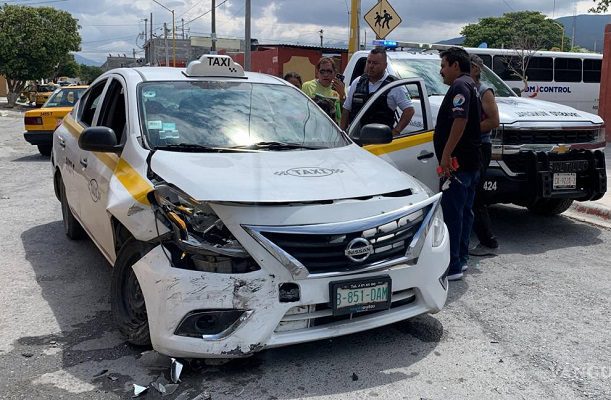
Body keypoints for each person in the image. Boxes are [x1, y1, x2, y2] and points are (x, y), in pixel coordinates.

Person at [434, 47, 482, 281]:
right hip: (470, 162)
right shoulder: (471, 84)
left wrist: (446, 154)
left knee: (453, 214)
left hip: (458, 164)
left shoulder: (460, 87)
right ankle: (461, 260)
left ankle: (452, 265)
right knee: (464, 213)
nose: (441, 71)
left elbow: (460, 121)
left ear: (455, 65)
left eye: (443, 65)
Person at [340, 47, 414, 135]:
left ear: (385, 66)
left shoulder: (394, 85)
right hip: (356, 139)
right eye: (369, 62)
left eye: (375, 63)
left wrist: (395, 132)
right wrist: (342, 133)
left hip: (381, 142)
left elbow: (409, 110)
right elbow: (346, 109)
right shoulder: (358, 82)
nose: (371, 66)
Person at [468, 54, 500, 257]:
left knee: (477, 195)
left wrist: (467, 130)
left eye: (468, 67)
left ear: (477, 70)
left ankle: (488, 242)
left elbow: (493, 121)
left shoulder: (483, 92)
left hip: (481, 146)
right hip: (470, 146)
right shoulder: (465, 88)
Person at [302, 58, 345, 124]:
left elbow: (345, 114)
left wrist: (342, 96)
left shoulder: (339, 88)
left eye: (329, 71)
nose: (325, 75)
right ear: (317, 72)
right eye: (322, 71)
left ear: (334, 73)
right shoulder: (307, 86)